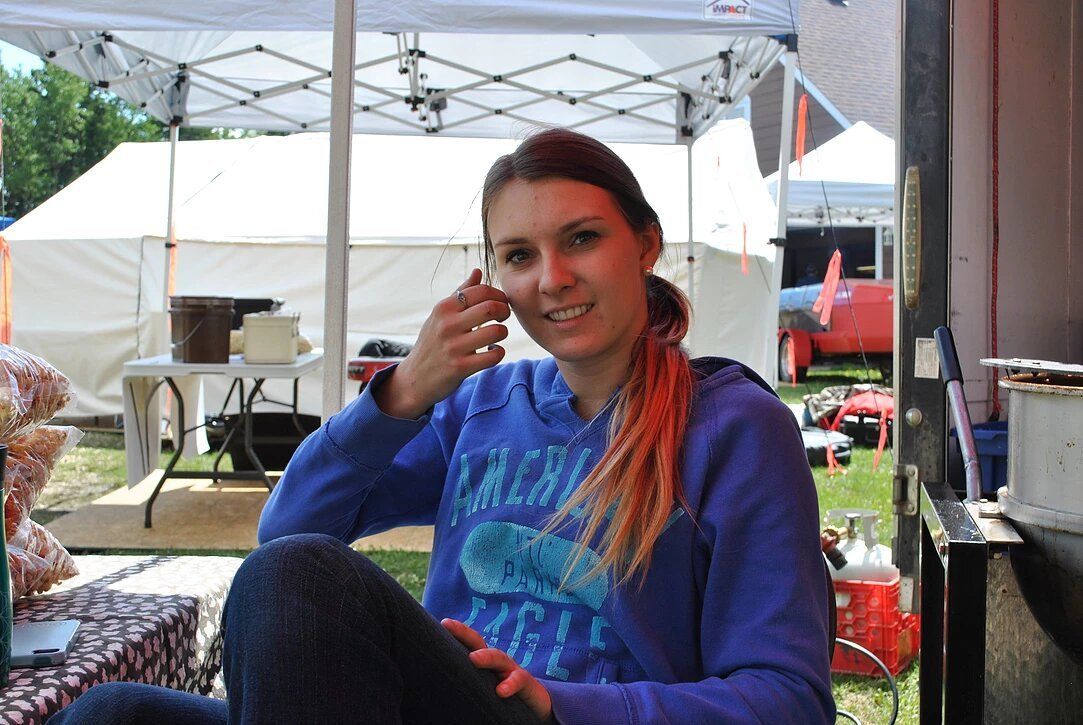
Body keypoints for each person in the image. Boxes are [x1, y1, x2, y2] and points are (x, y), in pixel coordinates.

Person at [52, 129, 834, 723]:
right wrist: (402, 395)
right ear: (496, 280)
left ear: (647, 244)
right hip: (434, 700)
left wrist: (562, 702)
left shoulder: (734, 427)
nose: (552, 278)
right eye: (519, 255)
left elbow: (786, 697)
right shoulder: (480, 405)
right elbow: (287, 529)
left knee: (299, 579)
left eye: (582, 239)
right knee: (111, 713)